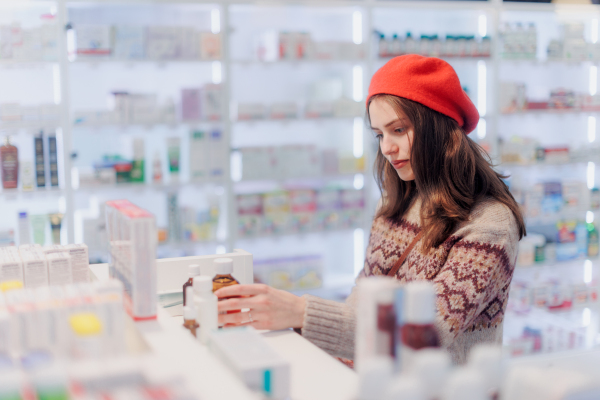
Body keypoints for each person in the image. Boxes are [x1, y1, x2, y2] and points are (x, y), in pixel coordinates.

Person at [215, 54, 526, 364]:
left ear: (439, 129)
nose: (387, 147)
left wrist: (302, 312)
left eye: (399, 130)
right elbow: (363, 297)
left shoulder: (490, 223)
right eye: (380, 134)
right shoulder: (396, 204)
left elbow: (429, 335)